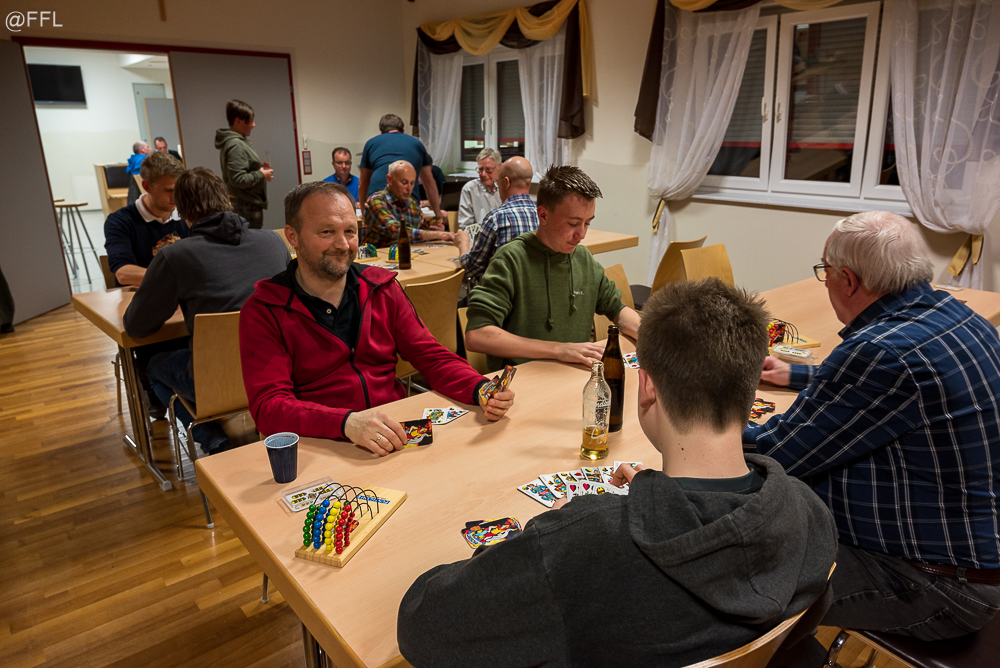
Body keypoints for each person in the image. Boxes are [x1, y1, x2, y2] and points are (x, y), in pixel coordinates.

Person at [397, 278, 839, 667]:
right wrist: (655, 500)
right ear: (751, 386)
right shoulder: (809, 512)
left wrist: (556, 532)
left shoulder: (579, 545)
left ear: (646, 386)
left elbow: (422, 625)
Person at [745, 211, 1000, 655]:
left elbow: (774, 453)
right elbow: (901, 384)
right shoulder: (957, 316)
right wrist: (799, 375)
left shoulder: (879, 353)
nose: (825, 281)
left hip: (935, 586)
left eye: (824, 271)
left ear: (848, 280)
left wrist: (693, 416)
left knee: (732, 582)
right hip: (973, 557)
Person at [239, 181, 514, 456]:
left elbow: (432, 357)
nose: (343, 244)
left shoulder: (382, 288)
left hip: (393, 436)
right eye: (326, 232)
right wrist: (347, 423)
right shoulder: (264, 310)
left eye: (350, 231)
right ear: (293, 236)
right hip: (322, 448)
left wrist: (480, 387)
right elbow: (269, 406)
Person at [122, 168, 290, 454]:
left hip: (216, 383)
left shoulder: (175, 255)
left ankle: (213, 439)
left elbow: (137, 326)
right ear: (227, 200)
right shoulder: (274, 242)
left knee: (153, 365)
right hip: (280, 371)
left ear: (182, 210)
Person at [465, 165, 641, 371]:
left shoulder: (583, 259)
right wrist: (558, 349)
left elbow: (619, 310)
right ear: (543, 215)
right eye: (573, 223)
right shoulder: (511, 260)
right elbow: (477, 335)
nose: (582, 234)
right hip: (524, 378)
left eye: (587, 223)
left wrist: (650, 337)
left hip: (572, 374)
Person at [104, 150, 188, 287]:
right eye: (169, 190)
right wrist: (179, 278)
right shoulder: (120, 221)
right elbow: (124, 273)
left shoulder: (188, 216)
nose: (176, 196)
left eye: (179, 189)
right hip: (139, 296)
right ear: (146, 186)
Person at [453, 156, 537, 283]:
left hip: (502, 293)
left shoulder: (496, 219)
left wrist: (462, 244)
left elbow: (471, 268)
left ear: (506, 182)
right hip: (536, 290)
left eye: (498, 182)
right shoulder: (544, 214)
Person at [357, 113, 444, 221]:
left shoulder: (371, 143)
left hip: (377, 201)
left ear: (381, 133)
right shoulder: (417, 144)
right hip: (409, 201)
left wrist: (364, 213)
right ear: (403, 130)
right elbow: (429, 182)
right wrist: (438, 214)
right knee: (411, 229)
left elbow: (363, 183)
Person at [362, 160, 453, 248]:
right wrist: (438, 234)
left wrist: (434, 227)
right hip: (379, 255)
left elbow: (419, 230)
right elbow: (396, 231)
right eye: (404, 183)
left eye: (412, 183)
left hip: (408, 254)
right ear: (389, 179)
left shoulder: (412, 203)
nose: (409, 188)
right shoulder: (377, 200)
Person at [215, 99, 273, 230]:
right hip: (245, 207)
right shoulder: (236, 145)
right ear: (238, 121)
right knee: (250, 241)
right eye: (250, 121)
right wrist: (261, 175)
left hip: (244, 204)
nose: (254, 124)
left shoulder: (237, 141)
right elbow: (238, 179)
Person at [457, 147, 502, 230]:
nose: (483, 174)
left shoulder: (506, 187)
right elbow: (465, 226)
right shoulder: (470, 189)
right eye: (480, 169)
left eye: (488, 169)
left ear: (499, 167)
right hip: (479, 236)